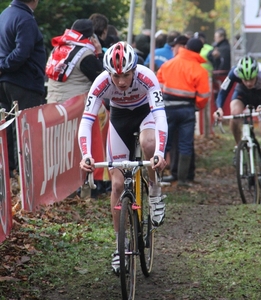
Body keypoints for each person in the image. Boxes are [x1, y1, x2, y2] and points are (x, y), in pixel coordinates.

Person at [78, 41, 168, 272]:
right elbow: (86, 120)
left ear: (134, 70)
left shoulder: (147, 77)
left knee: (148, 143)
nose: (120, 81)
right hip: (119, 119)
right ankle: (120, 246)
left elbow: (160, 117)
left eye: (125, 75)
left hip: (145, 115)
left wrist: (159, 152)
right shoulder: (100, 83)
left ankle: (156, 193)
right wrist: (86, 155)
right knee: (117, 184)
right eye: (115, 76)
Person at [0, 0, 46, 178]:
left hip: (5, 82)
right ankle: (26, 173)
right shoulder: (25, 19)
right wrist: (4, 65)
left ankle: (10, 171)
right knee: (26, 127)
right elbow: (22, 51)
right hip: (24, 82)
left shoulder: (4, 15)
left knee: (9, 124)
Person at [157, 38, 210, 187]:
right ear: (199, 51)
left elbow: (157, 85)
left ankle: (156, 176)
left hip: (167, 109)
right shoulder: (200, 70)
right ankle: (182, 179)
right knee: (185, 144)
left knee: (164, 143)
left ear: (185, 47)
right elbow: (204, 95)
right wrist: (196, 106)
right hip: (187, 110)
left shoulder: (168, 64)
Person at [46, 19, 104, 103]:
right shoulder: (85, 55)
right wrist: (99, 53)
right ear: (91, 37)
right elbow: (101, 79)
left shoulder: (56, 49)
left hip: (52, 103)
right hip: (74, 107)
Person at [213, 55, 260, 149]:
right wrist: (219, 109)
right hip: (242, 93)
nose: (249, 83)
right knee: (235, 113)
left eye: (251, 79)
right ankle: (238, 145)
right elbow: (223, 92)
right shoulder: (234, 72)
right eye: (245, 80)